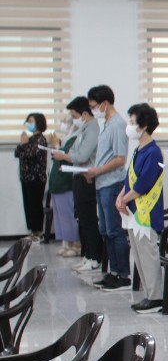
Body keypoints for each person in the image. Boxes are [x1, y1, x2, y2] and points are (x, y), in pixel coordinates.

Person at [118, 104, 164, 314]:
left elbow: (143, 183)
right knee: (138, 255)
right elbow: (129, 179)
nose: (129, 126)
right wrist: (121, 197)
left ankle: (156, 297)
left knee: (148, 255)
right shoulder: (138, 149)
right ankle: (148, 294)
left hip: (146, 212)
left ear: (144, 126)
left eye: (133, 122)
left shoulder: (153, 152)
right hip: (133, 211)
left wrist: (124, 199)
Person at [85, 85, 131, 291]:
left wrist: (97, 171)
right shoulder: (107, 124)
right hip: (102, 182)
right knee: (105, 230)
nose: (93, 110)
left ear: (105, 103)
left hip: (112, 184)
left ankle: (123, 275)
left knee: (114, 230)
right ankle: (113, 272)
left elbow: (120, 159)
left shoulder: (118, 125)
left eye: (94, 106)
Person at [53, 97, 102, 272]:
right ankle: (87, 255)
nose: (74, 119)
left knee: (89, 219)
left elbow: (81, 156)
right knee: (81, 218)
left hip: (87, 177)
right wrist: (69, 155)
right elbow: (74, 151)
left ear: (84, 114)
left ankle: (94, 257)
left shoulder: (93, 128)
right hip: (78, 176)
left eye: (74, 116)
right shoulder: (83, 128)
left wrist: (64, 156)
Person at [47, 103, 81, 257]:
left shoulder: (76, 137)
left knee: (69, 215)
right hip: (58, 183)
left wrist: (56, 146)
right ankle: (66, 244)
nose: (65, 124)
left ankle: (75, 245)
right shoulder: (67, 138)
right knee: (61, 217)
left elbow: (66, 155)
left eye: (69, 121)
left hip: (66, 182)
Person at [14, 113, 49, 242]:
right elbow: (17, 153)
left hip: (36, 178)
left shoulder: (40, 139)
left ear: (38, 123)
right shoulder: (30, 139)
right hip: (26, 177)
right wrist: (22, 144)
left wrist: (23, 145)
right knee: (28, 206)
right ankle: (33, 232)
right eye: (28, 121)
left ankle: (38, 232)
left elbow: (30, 155)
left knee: (35, 206)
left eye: (31, 121)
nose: (29, 124)